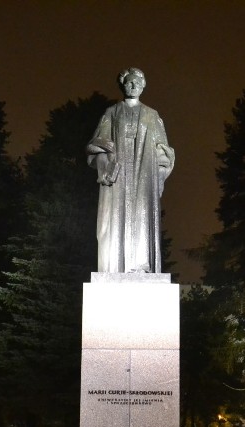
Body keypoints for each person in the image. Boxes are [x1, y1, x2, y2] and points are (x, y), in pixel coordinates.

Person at [86, 68, 175, 273]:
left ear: (143, 86)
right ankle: (113, 266)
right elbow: (94, 144)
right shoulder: (112, 112)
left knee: (142, 216)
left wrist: (159, 169)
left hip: (143, 176)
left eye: (137, 82)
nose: (133, 86)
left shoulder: (152, 116)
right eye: (129, 83)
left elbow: (165, 151)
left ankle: (142, 264)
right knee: (114, 217)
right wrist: (107, 153)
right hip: (118, 177)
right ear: (123, 86)